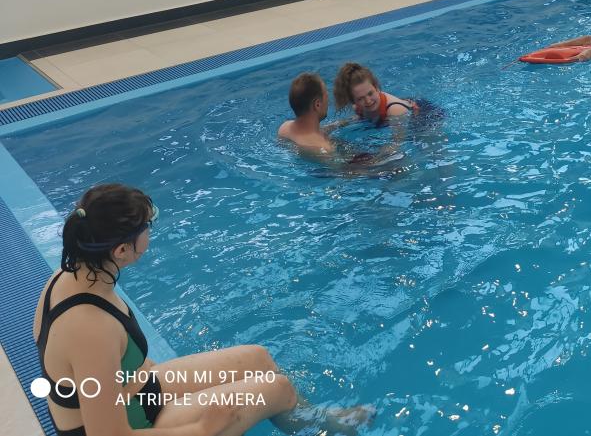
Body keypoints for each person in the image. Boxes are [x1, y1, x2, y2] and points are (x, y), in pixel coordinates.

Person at [33, 183, 371, 436]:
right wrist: (200, 429)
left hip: (133, 393)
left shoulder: (72, 275)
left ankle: (316, 423)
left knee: (259, 359)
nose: (150, 233)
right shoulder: (89, 328)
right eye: (148, 227)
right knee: (277, 389)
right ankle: (325, 428)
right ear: (121, 250)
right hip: (128, 425)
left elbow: (101, 375)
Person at [332, 63, 418, 126]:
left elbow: (398, 143)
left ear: (376, 88)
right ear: (353, 101)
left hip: (419, 118)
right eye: (360, 98)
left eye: (370, 93)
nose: (368, 101)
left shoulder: (395, 110)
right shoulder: (358, 108)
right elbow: (357, 119)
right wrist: (334, 126)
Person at [277, 73, 333, 154]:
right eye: (327, 97)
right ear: (317, 104)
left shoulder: (284, 129)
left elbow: (316, 131)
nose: (329, 102)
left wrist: (342, 123)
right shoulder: (323, 148)